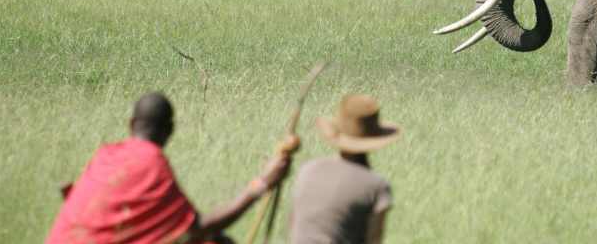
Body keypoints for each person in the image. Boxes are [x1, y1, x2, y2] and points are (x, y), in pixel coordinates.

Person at [45, 92, 299, 244]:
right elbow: (196, 228)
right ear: (170, 131)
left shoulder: (105, 155)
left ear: (131, 123)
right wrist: (261, 184)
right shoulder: (152, 163)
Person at [289, 94, 402, 244]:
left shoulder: (307, 169)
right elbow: (374, 240)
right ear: (375, 137)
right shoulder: (376, 186)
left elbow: (293, 225)